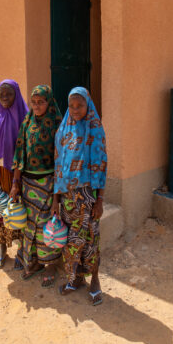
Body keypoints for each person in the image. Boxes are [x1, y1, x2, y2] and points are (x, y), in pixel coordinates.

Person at [52, 87, 107, 306]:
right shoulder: (63, 129)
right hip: (67, 198)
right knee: (70, 243)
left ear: (88, 105)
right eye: (72, 105)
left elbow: (102, 166)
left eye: (80, 105)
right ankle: (74, 279)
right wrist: (56, 200)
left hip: (88, 197)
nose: (75, 110)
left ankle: (95, 280)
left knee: (91, 241)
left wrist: (100, 200)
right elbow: (58, 165)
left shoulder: (95, 130)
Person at [10, 85, 63, 287]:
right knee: (29, 224)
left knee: (45, 225)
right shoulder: (27, 122)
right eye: (34, 102)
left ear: (49, 102)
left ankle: (49, 265)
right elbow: (19, 154)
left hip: (48, 183)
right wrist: (15, 183)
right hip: (27, 183)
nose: (37, 106)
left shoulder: (57, 125)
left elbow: (61, 161)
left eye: (41, 102)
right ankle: (34, 262)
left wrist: (57, 194)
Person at [0, 79, 28, 270]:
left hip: (19, 173)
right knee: (1, 211)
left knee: (19, 211)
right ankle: (2, 248)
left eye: (9, 93)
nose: (4, 97)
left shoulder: (25, 118)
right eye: (1, 93)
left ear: (16, 95)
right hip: (0, 173)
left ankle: (22, 250)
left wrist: (19, 178)